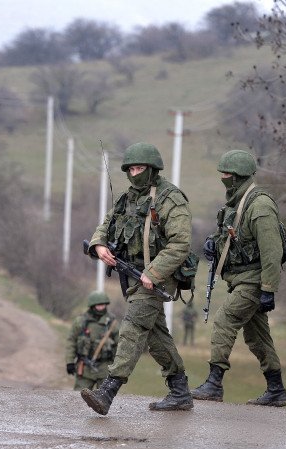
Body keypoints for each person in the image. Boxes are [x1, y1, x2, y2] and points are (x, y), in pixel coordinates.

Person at [81, 142, 194, 415]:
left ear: (153, 169)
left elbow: (181, 242)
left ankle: (109, 390)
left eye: (140, 168)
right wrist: (99, 246)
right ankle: (180, 392)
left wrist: (153, 273)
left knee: (131, 328)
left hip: (159, 277)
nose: (135, 173)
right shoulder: (126, 199)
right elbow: (104, 226)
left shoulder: (170, 199)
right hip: (133, 277)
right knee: (156, 337)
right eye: (130, 168)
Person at [191, 149, 286, 407]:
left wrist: (268, 288)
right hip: (242, 279)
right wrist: (213, 242)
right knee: (257, 336)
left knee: (225, 320)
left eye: (227, 174)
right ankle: (276, 389)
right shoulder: (235, 204)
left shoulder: (260, 206)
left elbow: (272, 250)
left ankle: (214, 383)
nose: (223, 178)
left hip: (254, 280)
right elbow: (226, 235)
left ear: (239, 176)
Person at [65, 291, 119, 391]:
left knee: (104, 399)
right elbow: (71, 342)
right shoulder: (81, 321)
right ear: (92, 305)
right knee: (78, 398)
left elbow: (119, 345)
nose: (100, 307)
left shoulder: (112, 323)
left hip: (105, 369)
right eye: (98, 305)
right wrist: (70, 362)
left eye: (102, 305)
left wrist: (118, 367)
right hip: (85, 369)